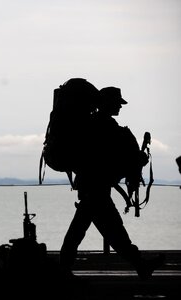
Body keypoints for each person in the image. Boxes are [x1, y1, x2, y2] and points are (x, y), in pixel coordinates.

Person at [59, 86, 165, 280]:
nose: (120, 107)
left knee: (98, 230)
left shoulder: (95, 124)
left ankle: (140, 265)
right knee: (106, 231)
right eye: (117, 103)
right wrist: (138, 160)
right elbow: (113, 158)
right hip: (95, 188)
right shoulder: (105, 126)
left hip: (92, 187)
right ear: (107, 103)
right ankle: (62, 271)